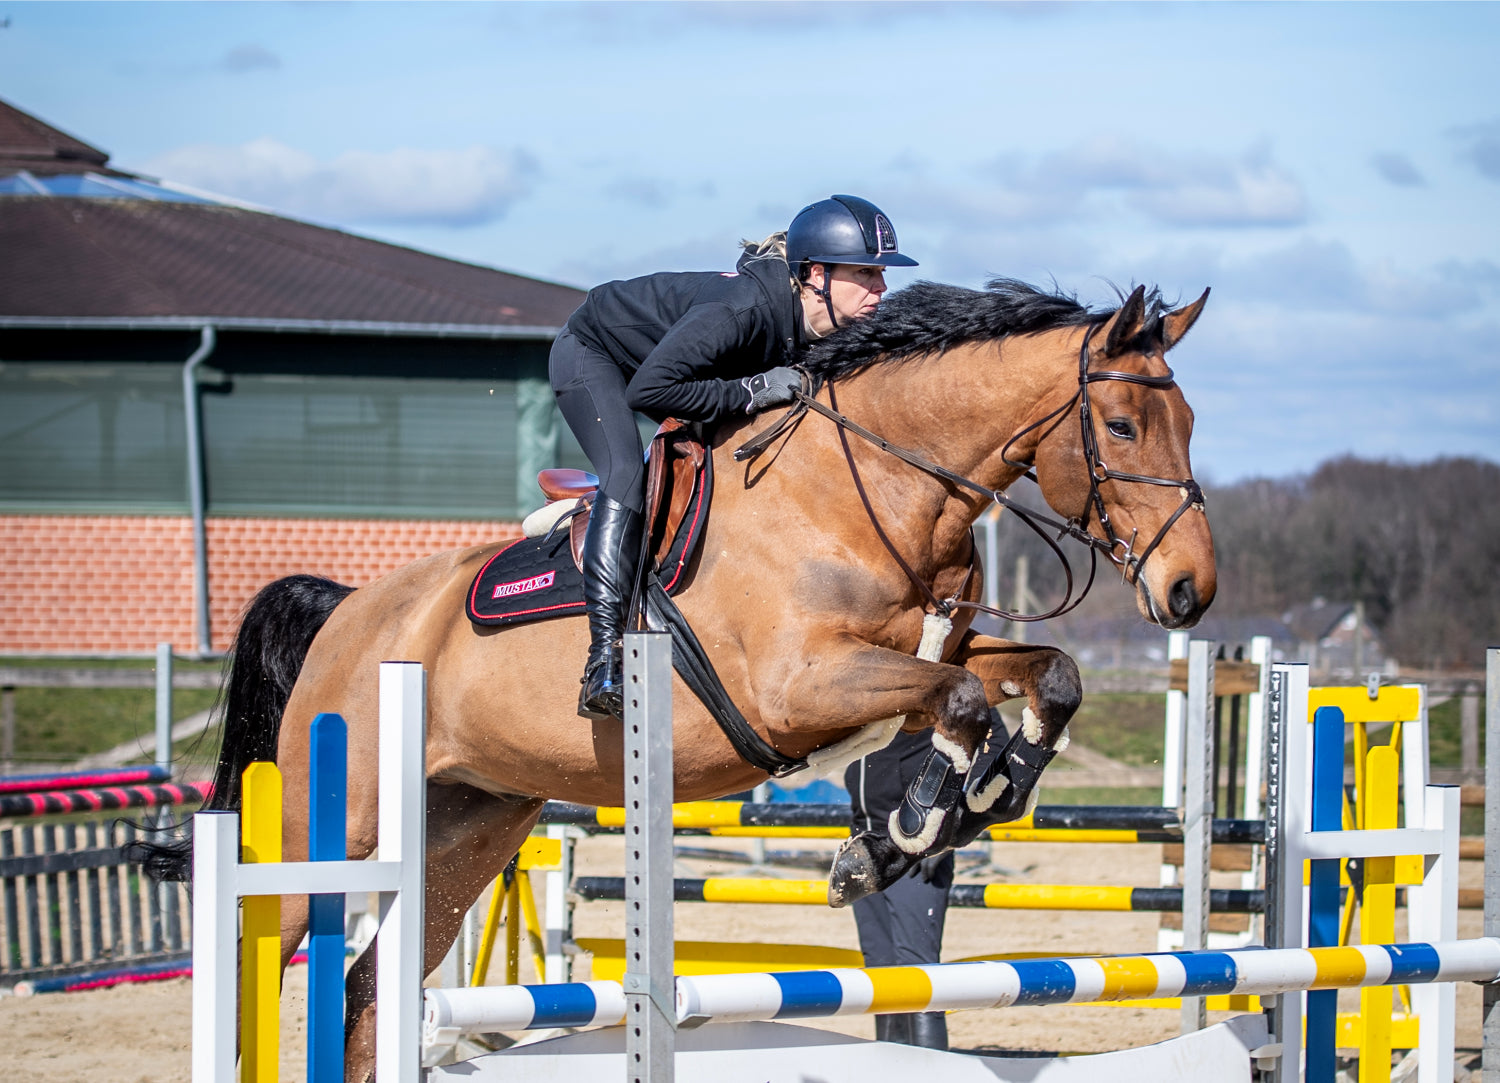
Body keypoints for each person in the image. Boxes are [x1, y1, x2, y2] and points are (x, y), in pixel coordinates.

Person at [550, 195, 918, 720]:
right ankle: (604, 656)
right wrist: (754, 389)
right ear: (816, 274)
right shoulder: (742, 310)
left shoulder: (816, 327)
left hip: (672, 371)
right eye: (866, 273)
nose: (881, 289)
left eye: (881, 275)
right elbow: (651, 392)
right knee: (627, 473)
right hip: (597, 356)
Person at [845, 728, 954, 1049]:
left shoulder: (954, 682)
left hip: (915, 844)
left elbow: (994, 752)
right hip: (864, 841)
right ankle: (892, 1068)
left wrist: (947, 829)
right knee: (880, 967)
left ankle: (927, 1071)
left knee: (917, 969)